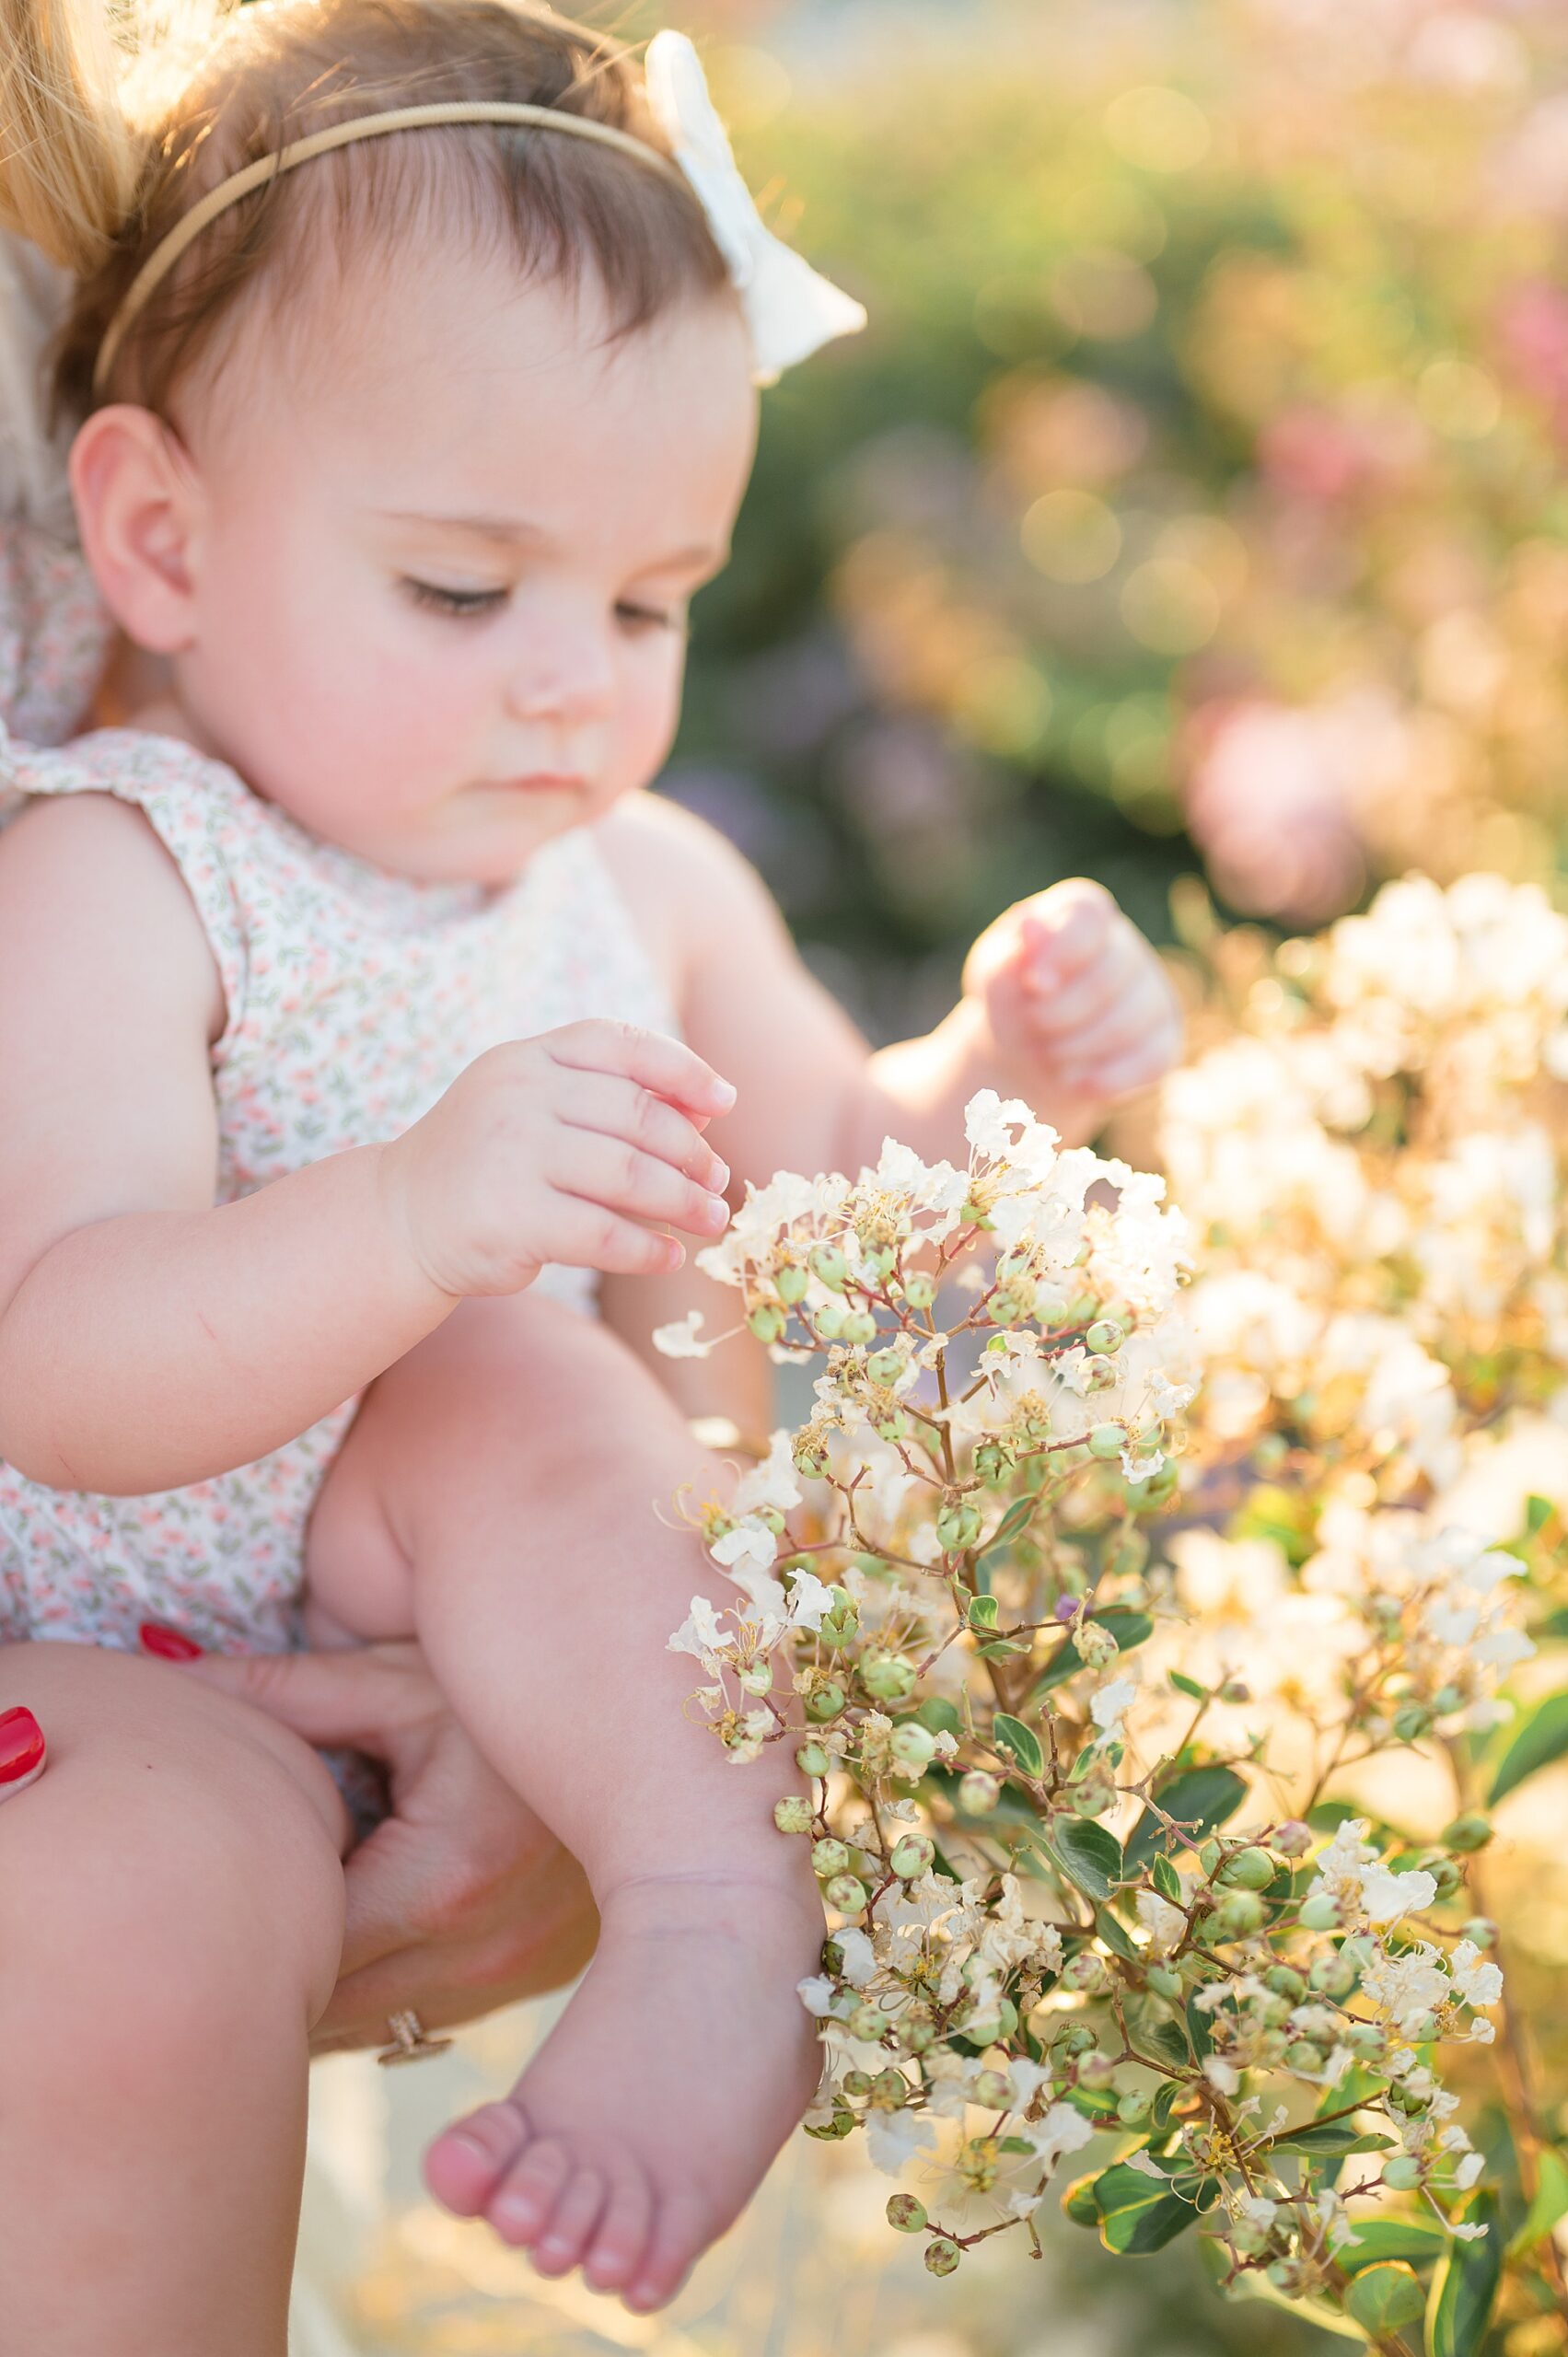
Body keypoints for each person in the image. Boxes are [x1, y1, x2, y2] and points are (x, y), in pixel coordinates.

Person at [0, 0, 1184, 2345]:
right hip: (114, 1574)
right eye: (466, 591)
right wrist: (410, 1222)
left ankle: (721, 1914)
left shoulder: (631, 883)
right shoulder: (129, 875)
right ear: (157, 534)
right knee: (486, 1356)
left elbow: (839, 1205)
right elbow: (57, 1357)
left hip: (429, 1570)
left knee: (529, 1401)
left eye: (651, 603)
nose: (575, 685)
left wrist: (998, 1070)